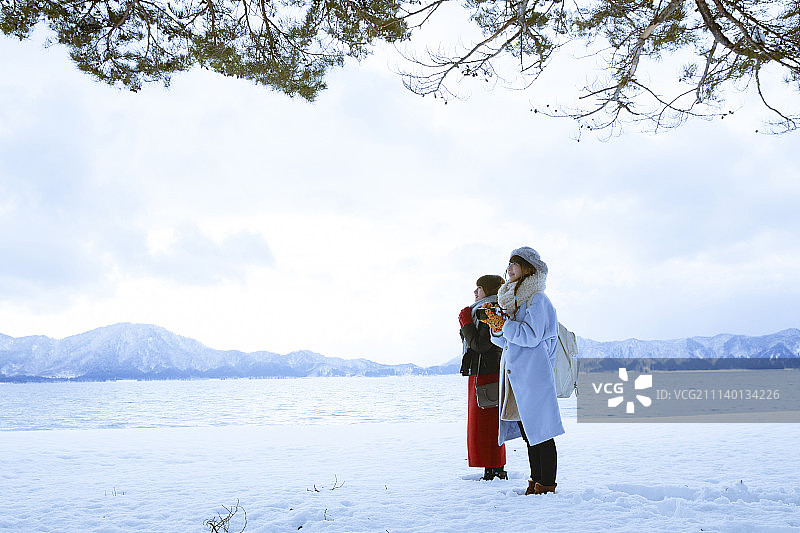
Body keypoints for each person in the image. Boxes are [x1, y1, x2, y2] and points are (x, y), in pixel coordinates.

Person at [480, 247, 564, 495]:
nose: (509, 268)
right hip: (517, 374)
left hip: (534, 374)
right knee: (529, 430)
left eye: (515, 263)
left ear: (529, 268)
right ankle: (536, 479)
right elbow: (506, 341)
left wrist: (505, 325)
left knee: (541, 430)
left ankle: (546, 484)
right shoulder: (513, 299)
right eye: (508, 264)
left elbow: (530, 335)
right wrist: (497, 327)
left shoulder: (538, 299)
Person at [458, 274, 508, 481]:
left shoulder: (490, 309)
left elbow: (481, 345)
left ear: (488, 290)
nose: (475, 292)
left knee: (487, 425)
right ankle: (492, 469)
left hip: (489, 373)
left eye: (478, 288)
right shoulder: (483, 308)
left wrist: (465, 322)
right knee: (482, 426)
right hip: (483, 372)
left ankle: (495, 470)